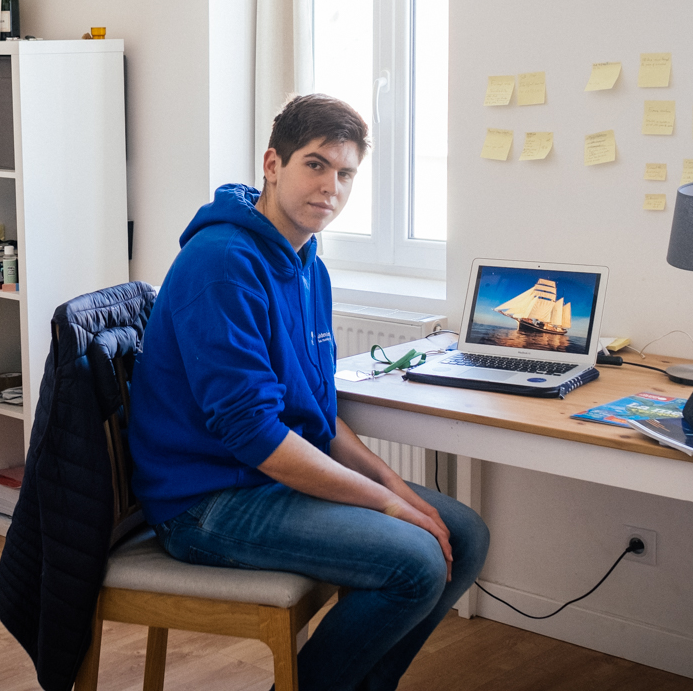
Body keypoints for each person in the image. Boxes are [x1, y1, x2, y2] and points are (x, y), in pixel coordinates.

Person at [129, 94, 489, 691]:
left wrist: (394, 486)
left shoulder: (307, 264)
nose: (331, 187)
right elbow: (255, 435)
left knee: (465, 533)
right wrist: (387, 506)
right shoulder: (222, 263)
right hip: (206, 502)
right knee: (415, 562)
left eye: (345, 174)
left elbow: (318, 417)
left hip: (268, 479)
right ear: (273, 164)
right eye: (315, 165)